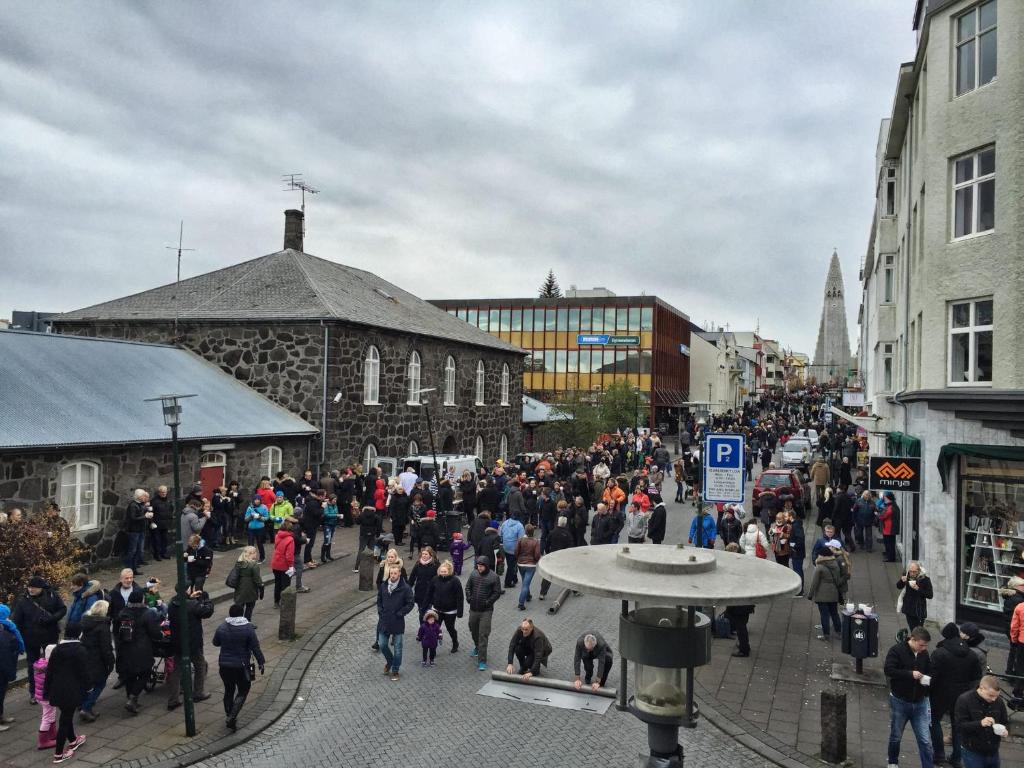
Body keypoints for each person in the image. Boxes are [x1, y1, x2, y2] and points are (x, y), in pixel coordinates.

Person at [930, 622, 983, 768]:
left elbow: (932, 676)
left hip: (940, 694)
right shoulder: (972, 654)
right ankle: (956, 758)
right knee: (957, 726)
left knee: (934, 722)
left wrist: (926, 692)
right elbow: (976, 677)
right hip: (962, 695)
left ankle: (939, 755)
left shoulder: (939, 653)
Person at [884, 626, 933, 768]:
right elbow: (889, 670)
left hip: (920, 702)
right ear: (913, 639)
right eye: (921, 645)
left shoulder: (924, 654)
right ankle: (893, 762)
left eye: (925, 646)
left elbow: (929, 670)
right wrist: (910, 674)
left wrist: (927, 678)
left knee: (925, 740)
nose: (924, 648)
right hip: (900, 701)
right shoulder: (897, 650)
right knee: (896, 736)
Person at [13, 575, 67, 704]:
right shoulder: (22, 601)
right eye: (30, 587)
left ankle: (53, 689)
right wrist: (20, 636)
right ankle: (34, 692)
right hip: (31, 638)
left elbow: (62, 609)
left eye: (35, 588)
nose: (31, 589)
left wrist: (52, 619)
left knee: (53, 662)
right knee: (33, 666)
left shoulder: (52, 596)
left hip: (50, 635)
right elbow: (17, 620)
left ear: (41, 588)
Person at [212, 604, 265, 730]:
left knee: (228, 690)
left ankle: (229, 714)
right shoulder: (248, 628)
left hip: (224, 666)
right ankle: (232, 716)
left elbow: (215, 642)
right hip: (241, 666)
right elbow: (255, 647)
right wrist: (261, 662)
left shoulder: (222, 627)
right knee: (243, 689)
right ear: (242, 614)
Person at [44, 625, 90, 764]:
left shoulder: (57, 650)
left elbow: (49, 671)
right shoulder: (80, 650)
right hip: (71, 690)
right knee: (64, 720)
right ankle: (59, 754)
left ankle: (74, 740)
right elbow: (84, 672)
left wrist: (46, 691)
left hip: (57, 689)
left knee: (66, 714)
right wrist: (89, 687)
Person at [166, 586, 214, 710]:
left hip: (177, 642)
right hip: (192, 643)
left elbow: (184, 604)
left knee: (176, 670)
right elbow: (207, 612)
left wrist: (190, 598)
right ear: (187, 590)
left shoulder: (172, 603)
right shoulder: (192, 605)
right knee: (200, 665)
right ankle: (198, 692)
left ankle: (173, 699)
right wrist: (206, 599)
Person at [113, 589, 162, 714]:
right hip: (142, 649)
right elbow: (155, 632)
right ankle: (133, 698)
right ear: (142, 599)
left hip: (125, 649)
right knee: (145, 673)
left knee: (130, 674)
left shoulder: (123, 613)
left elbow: (116, 630)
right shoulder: (147, 613)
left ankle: (130, 698)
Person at [954, 675, 1009, 768]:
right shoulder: (964, 700)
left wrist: (1005, 730)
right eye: (991, 695)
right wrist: (980, 723)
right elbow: (959, 727)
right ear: (981, 688)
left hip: (993, 751)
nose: (994, 699)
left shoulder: (998, 701)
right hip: (972, 752)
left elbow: (1004, 721)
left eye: (996, 696)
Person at [377, 563, 415, 682]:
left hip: (397, 622)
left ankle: (395, 670)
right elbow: (379, 600)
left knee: (398, 648)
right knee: (382, 644)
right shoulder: (384, 586)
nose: (393, 575)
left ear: (399, 573)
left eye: (395, 573)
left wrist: (400, 613)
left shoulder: (405, 588)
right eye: (391, 573)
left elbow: (410, 603)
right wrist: (380, 611)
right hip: (384, 621)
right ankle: (390, 661)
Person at [77, 600, 114, 723]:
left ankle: (84, 706)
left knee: (87, 684)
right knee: (100, 684)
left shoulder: (85, 622)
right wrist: (110, 661)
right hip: (97, 659)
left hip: (84, 657)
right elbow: (105, 648)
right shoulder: (103, 626)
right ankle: (86, 708)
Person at [466, 556, 502, 671]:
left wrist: (488, 602)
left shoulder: (494, 577)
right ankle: (477, 646)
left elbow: (497, 593)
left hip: (486, 611)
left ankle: (482, 660)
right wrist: (468, 597)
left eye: (481, 566)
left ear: (486, 566)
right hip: (473, 609)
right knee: (473, 628)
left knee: (483, 634)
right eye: (478, 566)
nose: (479, 568)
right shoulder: (473, 574)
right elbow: (468, 587)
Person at [806, 540, 847, 641]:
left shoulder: (819, 567)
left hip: (822, 595)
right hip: (833, 593)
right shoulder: (835, 564)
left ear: (822, 556)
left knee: (824, 615)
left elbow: (814, 583)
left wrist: (810, 595)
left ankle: (826, 635)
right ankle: (839, 632)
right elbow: (838, 579)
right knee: (834, 613)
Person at [427, 560, 463, 653]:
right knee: (434, 628)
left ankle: (455, 642)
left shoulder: (455, 581)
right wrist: (426, 605)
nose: (443, 573)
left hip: (450, 611)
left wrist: (460, 611)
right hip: (437, 610)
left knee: (450, 628)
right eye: (441, 571)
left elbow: (460, 596)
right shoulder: (435, 579)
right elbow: (429, 593)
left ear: (449, 571)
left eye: (445, 572)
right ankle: (433, 648)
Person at [0, 603, 24, 731]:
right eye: (7, 615)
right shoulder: (3, 631)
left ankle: (1, 716)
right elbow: (4, 656)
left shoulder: (6, 628)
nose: (9, 618)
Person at [539, 516, 573, 600]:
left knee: (548, 576)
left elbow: (547, 545)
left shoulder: (552, 532)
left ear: (558, 523)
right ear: (565, 524)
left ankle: (542, 593)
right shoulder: (568, 534)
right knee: (569, 574)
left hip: (552, 556)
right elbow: (571, 547)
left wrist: (548, 553)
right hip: (563, 557)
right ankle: (575, 590)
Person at [897, 561, 934, 631]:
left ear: (919, 570)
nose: (912, 573)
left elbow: (930, 595)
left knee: (918, 631)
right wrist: (902, 580)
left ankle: (916, 640)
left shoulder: (925, 580)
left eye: (914, 571)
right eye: (911, 571)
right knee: (912, 629)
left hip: (919, 610)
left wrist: (918, 589)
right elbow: (898, 586)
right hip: (909, 608)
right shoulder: (907, 575)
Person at [123, 489, 152, 574]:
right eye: (143, 496)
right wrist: (145, 516)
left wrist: (148, 514)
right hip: (133, 531)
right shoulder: (133, 505)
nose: (145, 498)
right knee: (132, 551)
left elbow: (142, 513)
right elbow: (133, 518)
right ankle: (129, 569)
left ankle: (134, 569)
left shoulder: (141, 504)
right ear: (139, 497)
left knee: (138, 550)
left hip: (140, 530)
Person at [408, 547, 440, 623]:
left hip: (431, 594)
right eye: (423, 554)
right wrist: (408, 588)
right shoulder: (418, 564)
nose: (424, 556)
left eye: (426, 554)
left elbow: (440, 579)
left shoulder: (436, 565)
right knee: (422, 613)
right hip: (420, 593)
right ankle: (423, 630)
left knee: (429, 614)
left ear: (430, 555)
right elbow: (412, 577)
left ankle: (430, 630)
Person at [514, 524, 541, 610]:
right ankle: (521, 603)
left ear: (525, 531)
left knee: (525, 581)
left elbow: (516, 552)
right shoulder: (536, 541)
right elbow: (537, 555)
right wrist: (536, 561)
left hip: (521, 564)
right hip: (531, 565)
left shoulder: (520, 540)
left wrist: (518, 559)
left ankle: (528, 596)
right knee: (526, 584)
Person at [232, 546, 263, 620]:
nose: (256, 554)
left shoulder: (239, 563)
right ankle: (247, 622)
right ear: (251, 554)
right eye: (255, 552)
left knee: (240, 606)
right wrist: (261, 585)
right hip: (250, 588)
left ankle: (238, 621)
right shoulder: (254, 565)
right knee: (249, 607)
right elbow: (257, 579)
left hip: (240, 587)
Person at [270, 520, 296, 608]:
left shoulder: (277, 535)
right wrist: (291, 566)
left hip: (275, 563)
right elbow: (289, 555)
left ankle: (276, 602)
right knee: (285, 585)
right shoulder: (290, 539)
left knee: (277, 583)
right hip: (284, 565)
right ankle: (284, 603)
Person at [499, 514, 526, 589]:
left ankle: (514, 578)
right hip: (514, 548)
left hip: (505, 547)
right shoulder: (519, 526)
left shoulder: (505, 523)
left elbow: (500, 534)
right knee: (511, 566)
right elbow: (521, 539)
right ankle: (507, 583)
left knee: (511, 563)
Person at [244, 496, 268, 562]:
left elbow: (266, 518)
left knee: (260, 543)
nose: (257, 501)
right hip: (251, 528)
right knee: (250, 544)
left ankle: (262, 558)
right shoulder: (250, 507)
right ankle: (250, 558)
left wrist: (259, 517)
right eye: (255, 500)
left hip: (260, 528)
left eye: (258, 500)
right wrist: (251, 516)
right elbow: (245, 519)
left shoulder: (264, 507)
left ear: (260, 500)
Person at [879, 491, 901, 563]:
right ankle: (889, 555)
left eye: (885, 498)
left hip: (889, 528)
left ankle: (890, 557)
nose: (884, 499)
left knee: (889, 543)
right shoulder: (892, 506)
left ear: (889, 498)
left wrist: (878, 515)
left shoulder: (890, 507)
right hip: (890, 528)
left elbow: (883, 516)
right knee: (890, 543)